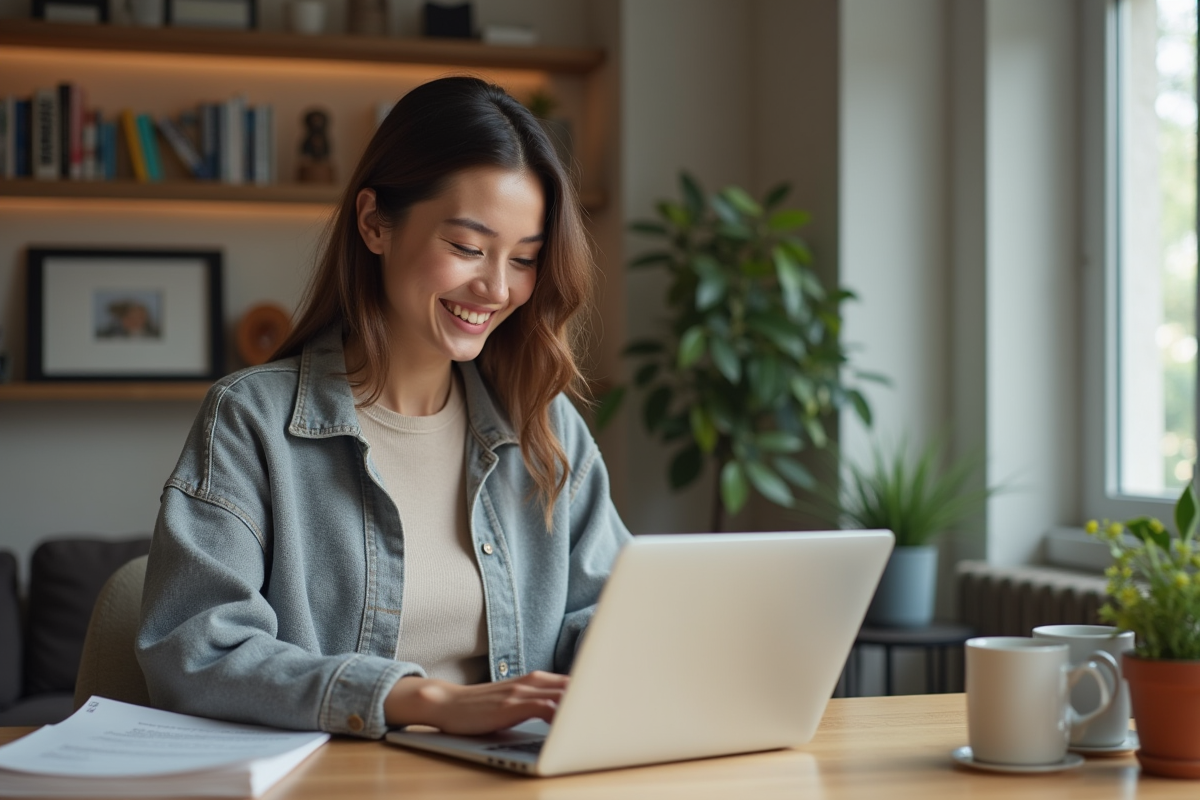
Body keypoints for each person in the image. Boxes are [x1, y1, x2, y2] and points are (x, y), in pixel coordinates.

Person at [136, 77, 632, 740]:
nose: (496, 287)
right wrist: (422, 699)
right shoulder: (251, 420)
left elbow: (603, 613)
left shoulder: (543, 424)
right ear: (375, 223)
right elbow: (194, 651)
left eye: (524, 259)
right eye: (466, 247)